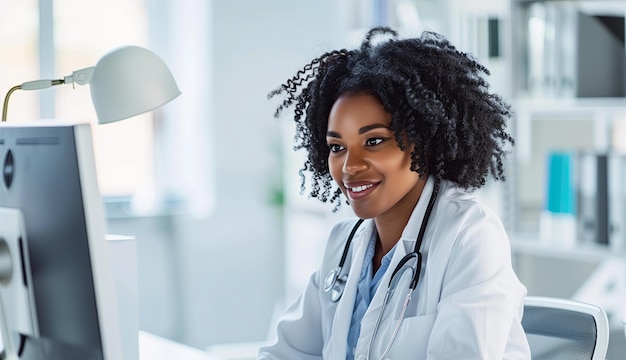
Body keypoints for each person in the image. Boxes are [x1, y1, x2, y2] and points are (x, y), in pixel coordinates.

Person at [258, 27, 530, 359]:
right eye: (337, 147)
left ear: (424, 141)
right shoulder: (344, 243)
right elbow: (286, 352)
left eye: (374, 141)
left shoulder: (469, 235)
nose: (349, 166)